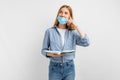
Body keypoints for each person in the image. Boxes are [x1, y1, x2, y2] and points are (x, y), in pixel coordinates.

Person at [41, 4, 90, 80]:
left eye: (66, 13)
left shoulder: (73, 32)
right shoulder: (49, 32)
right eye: (61, 12)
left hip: (69, 68)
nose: (63, 15)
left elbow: (86, 42)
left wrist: (76, 26)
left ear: (69, 17)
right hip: (54, 68)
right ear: (58, 14)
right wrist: (51, 54)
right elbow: (43, 50)